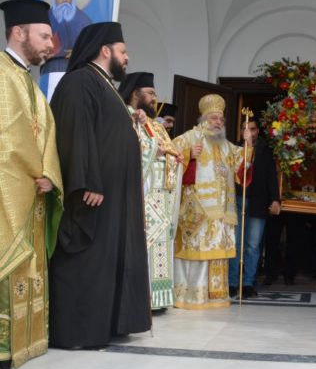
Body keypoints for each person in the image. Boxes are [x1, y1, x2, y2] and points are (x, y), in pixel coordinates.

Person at [49, 22, 151, 348]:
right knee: (88, 260)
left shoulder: (103, 84)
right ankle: (78, 331)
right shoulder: (80, 81)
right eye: (123, 51)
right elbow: (76, 131)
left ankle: (107, 324)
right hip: (94, 193)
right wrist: (87, 181)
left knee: (108, 261)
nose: (127, 57)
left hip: (113, 195)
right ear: (105, 50)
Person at [0, 0, 63, 369]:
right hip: (8, 194)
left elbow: (45, 135)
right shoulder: (1, 75)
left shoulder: (28, 81)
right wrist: (27, 175)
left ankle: (28, 340)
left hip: (33, 196)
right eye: (43, 36)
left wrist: (50, 174)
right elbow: (6, 139)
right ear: (17, 32)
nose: (50, 45)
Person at [172, 94, 252, 309]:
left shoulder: (225, 145)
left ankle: (215, 296)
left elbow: (242, 167)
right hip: (197, 210)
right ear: (203, 118)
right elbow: (168, 159)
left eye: (221, 119)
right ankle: (191, 297)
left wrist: (248, 142)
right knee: (198, 252)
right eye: (214, 118)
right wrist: (188, 154)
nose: (219, 122)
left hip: (222, 212)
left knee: (216, 253)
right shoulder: (189, 137)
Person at [118, 72, 183, 310]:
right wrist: (156, 151)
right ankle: (138, 300)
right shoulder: (122, 115)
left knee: (157, 247)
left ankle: (157, 300)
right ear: (136, 93)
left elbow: (171, 151)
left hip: (158, 197)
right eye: (151, 93)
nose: (154, 98)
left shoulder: (153, 124)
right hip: (139, 196)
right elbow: (125, 149)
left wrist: (171, 156)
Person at [228, 117, 280, 298]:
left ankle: (248, 283)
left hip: (258, 201)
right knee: (235, 244)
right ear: (240, 131)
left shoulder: (266, 150)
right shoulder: (233, 149)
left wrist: (275, 200)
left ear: (257, 131)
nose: (249, 132)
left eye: (252, 129)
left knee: (253, 245)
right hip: (236, 199)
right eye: (245, 128)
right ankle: (232, 283)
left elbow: (272, 177)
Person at [44, 0, 92, 74]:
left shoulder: (84, 20)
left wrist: (78, 52)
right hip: (51, 69)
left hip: (76, 69)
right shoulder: (45, 18)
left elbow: (91, 45)